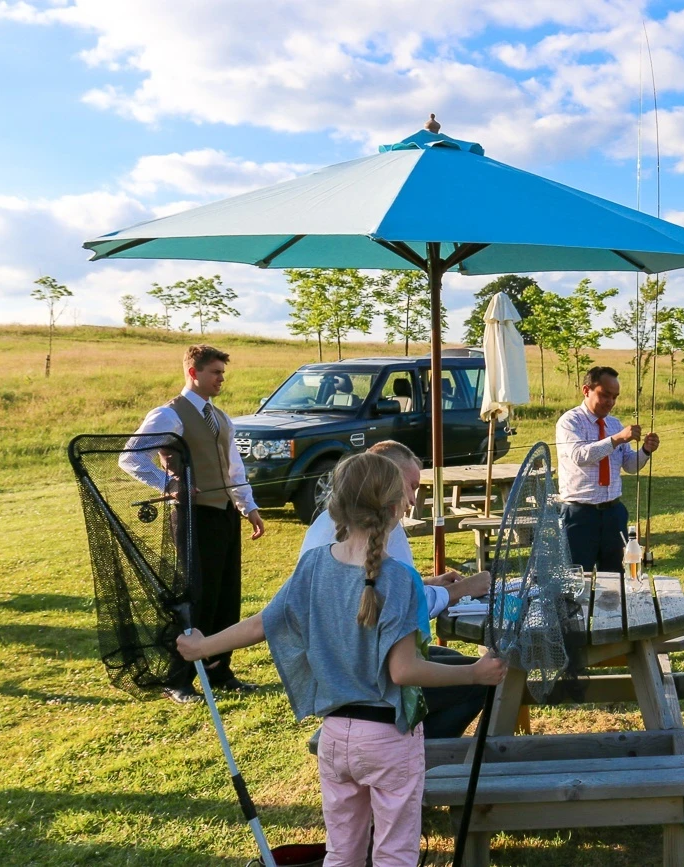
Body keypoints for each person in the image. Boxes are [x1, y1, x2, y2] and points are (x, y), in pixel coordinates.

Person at [177, 451, 507, 867]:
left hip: (335, 738)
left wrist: (203, 647)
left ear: (337, 506)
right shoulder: (398, 578)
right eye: (407, 498)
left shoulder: (315, 564)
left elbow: (264, 622)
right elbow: (403, 671)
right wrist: (475, 673)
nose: (410, 503)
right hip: (388, 739)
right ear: (393, 509)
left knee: (342, 853)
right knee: (393, 854)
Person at [300, 440, 490, 738]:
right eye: (410, 486)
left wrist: (427, 583)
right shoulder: (381, 529)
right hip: (370, 677)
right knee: (477, 681)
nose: (413, 499)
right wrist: (459, 590)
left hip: (345, 669)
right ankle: (423, 748)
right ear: (384, 479)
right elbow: (398, 611)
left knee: (453, 660)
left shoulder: (327, 529)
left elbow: (372, 588)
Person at [120, 344, 266, 704]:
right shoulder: (169, 415)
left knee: (225, 596)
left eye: (222, 373)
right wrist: (170, 484)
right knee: (193, 597)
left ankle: (219, 672)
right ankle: (177, 680)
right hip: (192, 516)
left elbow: (234, 469)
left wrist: (248, 507)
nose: (221, 379)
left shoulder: (221, 417)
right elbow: (130, 457)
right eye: (215, 372)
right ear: (193, 373)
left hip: (224, 515)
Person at [555, 366, 660, 575]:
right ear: (586, 390)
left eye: (615, 397)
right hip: (579, 514)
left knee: (614, 577)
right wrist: (617, 438)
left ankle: (613, 607)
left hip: (613, 513)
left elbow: (629, 465)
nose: (610, 402)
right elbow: (580, 456)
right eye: (605, 395)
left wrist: (646, 451)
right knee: (577, 578)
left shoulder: (614, 424)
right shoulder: (570, 421)